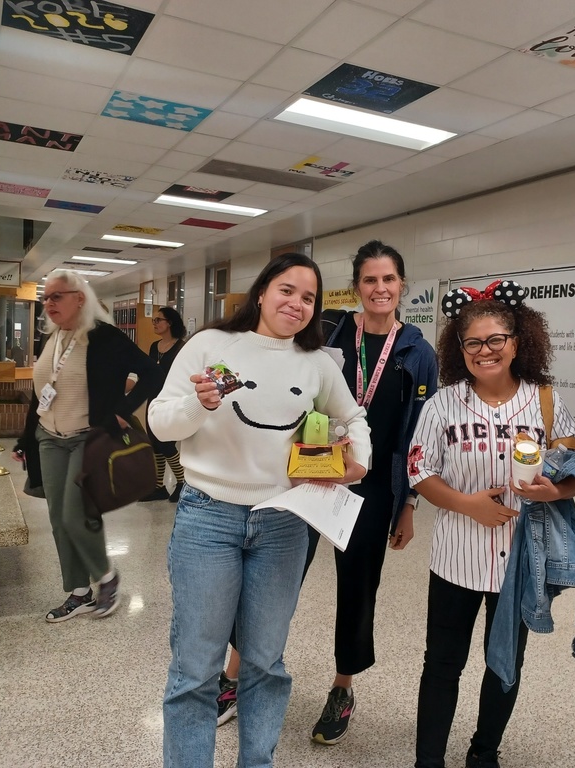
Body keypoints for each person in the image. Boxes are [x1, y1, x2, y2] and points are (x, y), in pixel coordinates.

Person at [148, 252, 372, 768]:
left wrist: (356, 462)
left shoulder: (316, 362)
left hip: (284, 525)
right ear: (263, 290)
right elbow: (160, 423)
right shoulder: (209, 346)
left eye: (309, 298)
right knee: (196, 669)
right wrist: (199, 405)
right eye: (287, 290)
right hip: (208, 518)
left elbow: (353, 416)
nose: (296, 304)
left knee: (266, 663)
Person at [407, 280, 575, 768]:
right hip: (455, 558)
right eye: (473, 342)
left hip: (521, 560)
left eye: (495, 341)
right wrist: (468, 504)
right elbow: (419, 470)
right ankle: (429, 759)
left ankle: (484, 752)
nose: (485, 351)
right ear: (458, 348)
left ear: (516, 343)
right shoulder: (443, 404)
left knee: (504, 664)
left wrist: (557, 489)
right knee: (442, 665)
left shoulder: (546, 402)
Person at [296, 239, 438, 745]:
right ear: (357, 287)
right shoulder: (328, 331)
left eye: (389, 280)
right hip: (310, 469)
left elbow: (421, 434)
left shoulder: (418, 353)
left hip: (374, 489)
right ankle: (238, 670)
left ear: (402, 285)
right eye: (370, 280)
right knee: (277, 573)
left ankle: (342, 686)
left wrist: (409, 505)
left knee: (357, 589)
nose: (380, 289)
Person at [17, 269, 161, 623]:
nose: (48, 304)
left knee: (75, 514)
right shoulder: (51, 338)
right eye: (45, 298)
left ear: (79, 298)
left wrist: (122, 411)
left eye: (56, 297)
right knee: (57, 518)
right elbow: (43, 395)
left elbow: (151, 372)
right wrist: (25, 437)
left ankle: (107, 576)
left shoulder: (103, 337)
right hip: (49, 438)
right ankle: (78, 591)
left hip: (88, 437)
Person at [141, 307, 188, 502]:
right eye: (154, 320)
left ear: (170, 323)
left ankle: (182, 481)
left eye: (158, 320)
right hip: (153, 397)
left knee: (165, 442)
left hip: (172, 398)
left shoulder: (181, 347)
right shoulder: (154, 346)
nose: (155, 324)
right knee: (154, 442)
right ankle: (158, 486)